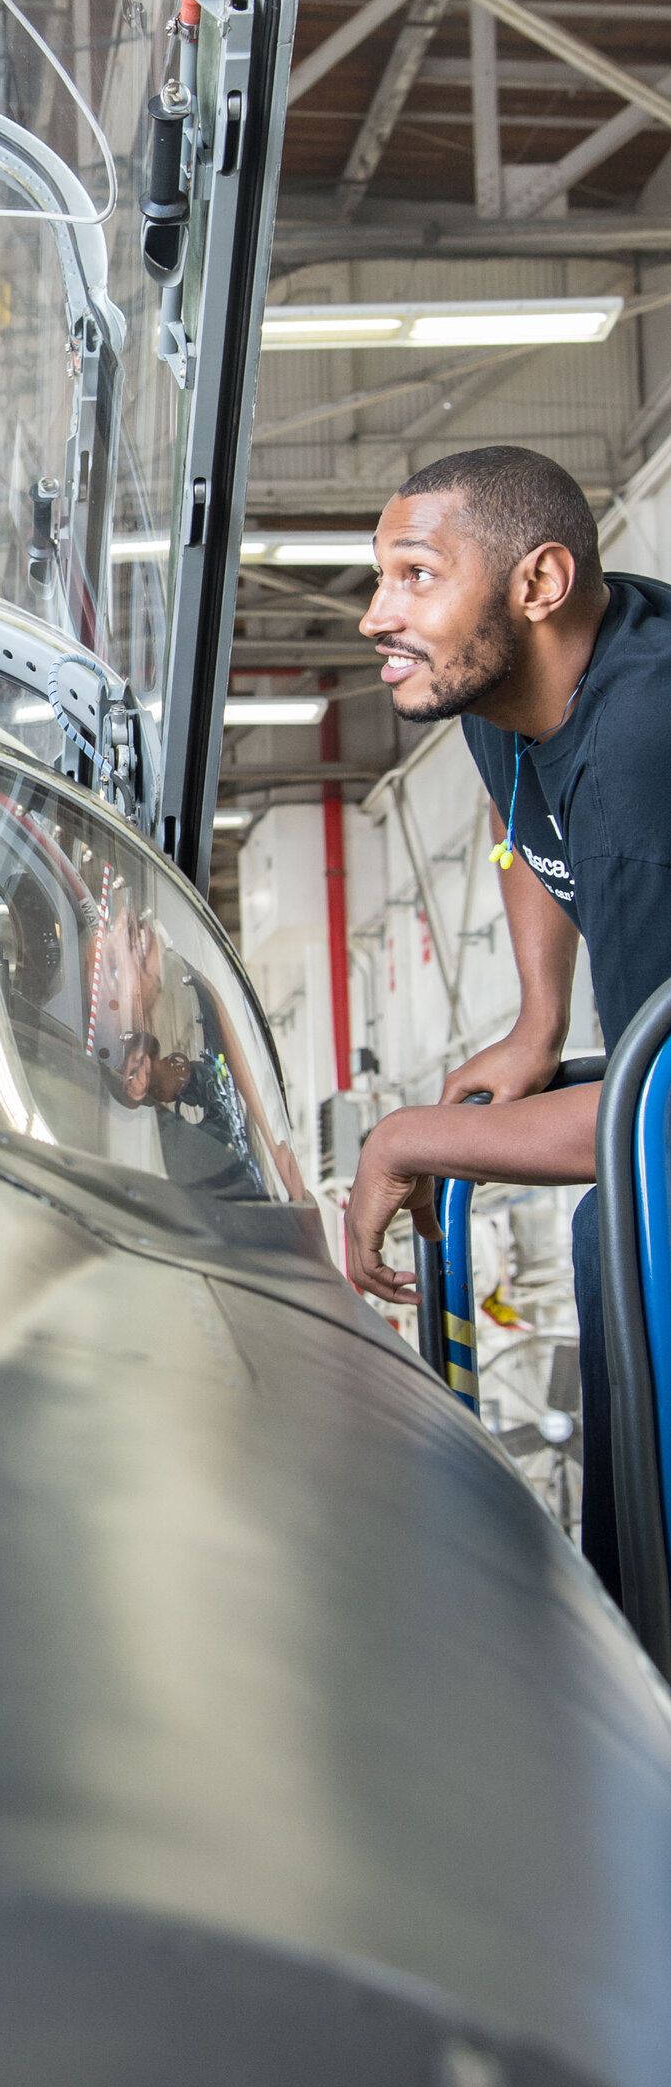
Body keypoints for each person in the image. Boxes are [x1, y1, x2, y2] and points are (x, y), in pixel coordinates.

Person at [343, 444, 671, 1604]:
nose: (381, 615)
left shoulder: (642, 758)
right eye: (379, 579)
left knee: (624, 1229)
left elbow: (643, 1117)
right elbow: (519, 811)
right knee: (607, 1241)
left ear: (536, 582)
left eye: (416, 576)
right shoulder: (508, 685)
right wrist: (539, 1018)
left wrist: (404, 1140)